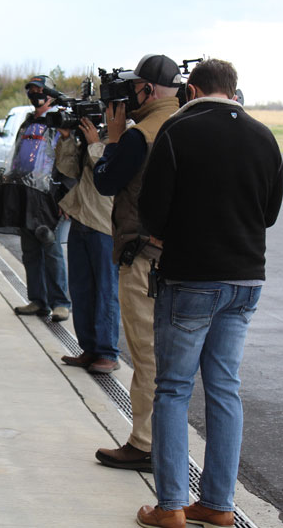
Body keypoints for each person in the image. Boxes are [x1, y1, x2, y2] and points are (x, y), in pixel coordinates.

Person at [135, 58, 283, 528]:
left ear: (193, 91)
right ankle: (218, 504)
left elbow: (152, 211)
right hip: (246, 281)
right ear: (232, 90)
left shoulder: (178, 132)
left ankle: (170, 506)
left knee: (173, 390)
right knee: (224, 390)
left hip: (191, 279)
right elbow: (270, 212)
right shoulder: (263, 136)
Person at [90, 54, 181, 469]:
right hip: (186, 260)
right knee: (178, 361)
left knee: (146, 354)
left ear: (148, 89)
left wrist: (112, 139)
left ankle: (144, 443)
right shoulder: (185, 123)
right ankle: (168, 443)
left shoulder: (138, 135)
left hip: (143, 258)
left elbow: (106, 181)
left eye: (134, 87)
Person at [0, 75, 71, 321]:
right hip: (24, 192)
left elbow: (69, 161)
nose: (34, 95)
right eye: (30, 90)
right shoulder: (28, 122)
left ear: (50, 94)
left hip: (48, 195)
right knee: (30, 250)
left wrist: (65, 195)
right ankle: (38, 300)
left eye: (38, 90)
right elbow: (18, 155)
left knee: (50, 248)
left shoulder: (60, 122)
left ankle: (60, 303)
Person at [55, 121, 121, 374]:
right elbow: (70, 170)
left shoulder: (126, 133)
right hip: (82, 218)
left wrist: (94, 144)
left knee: (106, 289)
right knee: (81, 289)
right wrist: (67, 139)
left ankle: (107, 353)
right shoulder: (100, 133)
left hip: (104, 224)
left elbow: (111, 172)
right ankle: (89, 348)